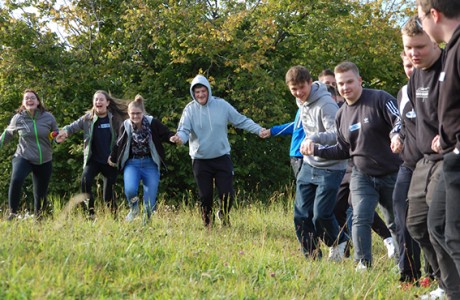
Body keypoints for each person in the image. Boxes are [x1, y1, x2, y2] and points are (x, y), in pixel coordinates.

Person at [303, 61, 401, 270]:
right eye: (341, 84)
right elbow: (342, 149)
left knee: (395, 222)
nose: (345, 87)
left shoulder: (379, 98)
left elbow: (399, 120)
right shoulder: (341, 115)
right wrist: (316, 150)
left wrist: (396, 135)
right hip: (361, 174)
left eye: (349, 82)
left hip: (391, 172)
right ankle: (362, 263)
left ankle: (404, 261)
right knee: (360, 217)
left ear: (359, 81)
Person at [170, 74, 265, 227]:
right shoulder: (190, 109)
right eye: (197, 92)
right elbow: (183, 130)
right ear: (193, 94)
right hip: (200, 159)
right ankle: (208, 224)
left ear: (208, 90)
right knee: (205, 196)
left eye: (203, 91)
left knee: (227, 194)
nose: (200, 94)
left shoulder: (222, 105)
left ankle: (224, 214)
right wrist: (179, 139)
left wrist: (259, 130)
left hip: (222, 157)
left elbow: (240, 120)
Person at [414, 3, 460, 298]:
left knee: (455, 234)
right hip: (450, 157)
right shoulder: (454, 48)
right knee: (439, 226)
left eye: (419, 17)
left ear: (434, 14)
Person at [285, 66, 348, 261]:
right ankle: (312, 257)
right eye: (293, 89)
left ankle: (339, 241)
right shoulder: (300, 101)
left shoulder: (326, 104)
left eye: (301, 87)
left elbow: (337, 135)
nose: (298, 93)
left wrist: (313, 138)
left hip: (331, 166)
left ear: (310, 83)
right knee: (301, 215)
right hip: (309, 164)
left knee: (320, 215)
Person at [57, 90, 127, 218]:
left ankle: (113, 217)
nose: (98, 102)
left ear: (107, 102)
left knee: (108, 194)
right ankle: (90, 213)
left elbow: (123, 137)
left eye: (101, 99)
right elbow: (72, 127)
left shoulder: (115, 119)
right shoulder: (87, 118)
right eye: (96, 99)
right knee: (85, 181)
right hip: (93, 160)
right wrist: (64, 132)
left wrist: (116, 156)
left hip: (110, 161)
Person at [108, 95, 175, 222]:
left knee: (150, 200)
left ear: (142, 112)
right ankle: (134, 208)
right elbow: (118, 143)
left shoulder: (152, 123)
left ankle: (146, 224)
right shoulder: (125, 125)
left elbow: (166, 133)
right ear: (128, 113)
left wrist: (172, 138)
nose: (135, 116)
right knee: (130, 190)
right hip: (132, 164)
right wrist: (112, 157)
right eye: (132, 114)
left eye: (138, 113)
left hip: (150, 163)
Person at [390, 49, 423, 286]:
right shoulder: (402, 93)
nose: (411, 70)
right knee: (401, 218)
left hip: (433, 163)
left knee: (428, 223)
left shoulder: (436, 87)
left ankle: (435, 274)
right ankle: (409, 273)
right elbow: (400, 122)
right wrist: (396, 136)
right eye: (407, 65)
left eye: (413, 64)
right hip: (408, 164)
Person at [0, 89, 59, 219]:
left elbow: (55, 133)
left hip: (44, 158)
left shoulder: (48, 117)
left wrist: (56, 138)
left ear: (38, 101)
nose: (29, 100)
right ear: (23, 102)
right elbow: (8, 134)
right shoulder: (18, 118)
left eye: (32, 98)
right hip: (23, 156)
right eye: (26, 98)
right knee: (16, 179)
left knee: (40, 193)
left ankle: (39, 217)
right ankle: (13, 213)